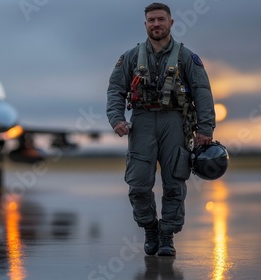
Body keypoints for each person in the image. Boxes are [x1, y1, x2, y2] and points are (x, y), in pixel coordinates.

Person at [106, 2, 215, 256]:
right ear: (145, 25)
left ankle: (167, 235)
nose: (156, 24)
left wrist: (205, 128)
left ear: (171, 23)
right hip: (141, 122)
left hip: (175, 122)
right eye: (152, 20)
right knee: (139, 184)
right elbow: (115, 89)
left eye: (161, 20)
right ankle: (150, 230)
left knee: (175, 182)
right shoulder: (131, 57)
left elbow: (202, 92)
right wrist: (116, 118)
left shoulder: (187, 57)